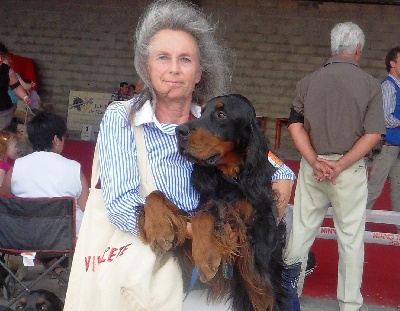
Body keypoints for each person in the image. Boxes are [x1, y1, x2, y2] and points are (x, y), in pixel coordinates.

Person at [94, 0, 231, 309]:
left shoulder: (217, 125)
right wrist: (195, 231)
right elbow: (120, 205)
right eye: (163, 57)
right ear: (147, 66)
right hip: (145, 272)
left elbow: (278, 174)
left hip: (211, 278)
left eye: (185, 59)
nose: (173, 69)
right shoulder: (123, 117)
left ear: (198, 73)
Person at [284, 22, 385, 311]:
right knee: (351, 239)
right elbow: (374, 134)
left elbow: (294, 125)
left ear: (333, 47)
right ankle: (349, 304)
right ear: (357, 50)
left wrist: (315, 160)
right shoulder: (370, 85)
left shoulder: (307, 82)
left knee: (301, 231)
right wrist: (340, 164)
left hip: (312, 169)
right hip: (349, 172)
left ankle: (288, 291)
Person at [0, 112, 89, 237]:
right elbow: (86, 207)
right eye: (64, 136)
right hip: (64, 239)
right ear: (56, 140)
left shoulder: (17, 167)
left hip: (23, 237)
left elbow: (4, 201)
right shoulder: (74, 168)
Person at [366, 46, 400, 234]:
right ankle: (358, 220)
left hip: (396, 145)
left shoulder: (397, 86)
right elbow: (385, 117)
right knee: (374, 187)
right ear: (392, 63)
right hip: (388, 146)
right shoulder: (388, 86)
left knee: (398, 188)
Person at [0, 42, 31, 129]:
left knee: (2, 135)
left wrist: (25, 97)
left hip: (3, 110)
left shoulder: (6, 70)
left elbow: (16, 86)